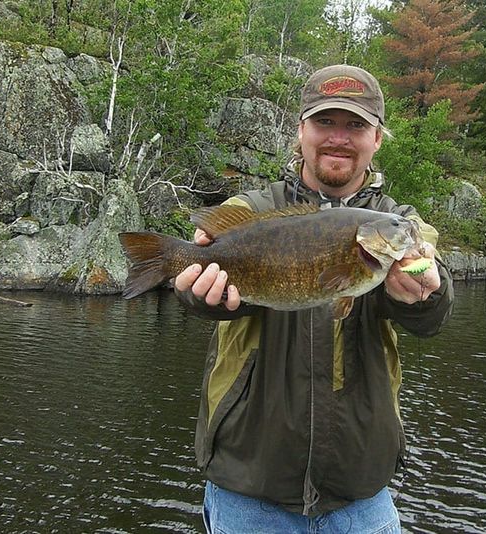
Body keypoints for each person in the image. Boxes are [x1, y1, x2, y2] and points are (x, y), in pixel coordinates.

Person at [174, 64, 454, 533]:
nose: (338, 138)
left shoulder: (398, 222)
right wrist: (199, 292)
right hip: (249, 483)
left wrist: (423, 295)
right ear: (301, 130)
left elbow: (435, 296)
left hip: (359, 491)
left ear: (377, 139)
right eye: (325, 122)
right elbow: (200, 288)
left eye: (355, 125)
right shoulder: (251, 209)